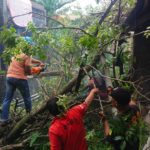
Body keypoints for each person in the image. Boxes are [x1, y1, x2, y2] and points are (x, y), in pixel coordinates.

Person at [0, 53, 44, 125]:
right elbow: (27, 65)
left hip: (9, 77)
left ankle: (3, 119)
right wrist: (29, 72)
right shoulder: (28, 54)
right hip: (19, 78)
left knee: (7, 99)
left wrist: (38, 62)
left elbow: (29, 60)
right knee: (27, 98)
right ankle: (29, 117)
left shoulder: (17, 54)